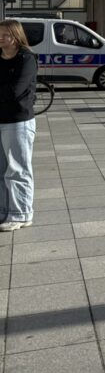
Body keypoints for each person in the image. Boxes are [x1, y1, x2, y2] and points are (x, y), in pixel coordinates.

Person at [0, 19, 37, 232]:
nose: (1, 37)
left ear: (16, 35)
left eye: (5, 34)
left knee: (18, 169)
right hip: (1, 118)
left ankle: (21, 213)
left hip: (18, 121)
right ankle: (5, 211)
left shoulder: (26, 59)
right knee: (2, 169)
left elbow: (15, 91)